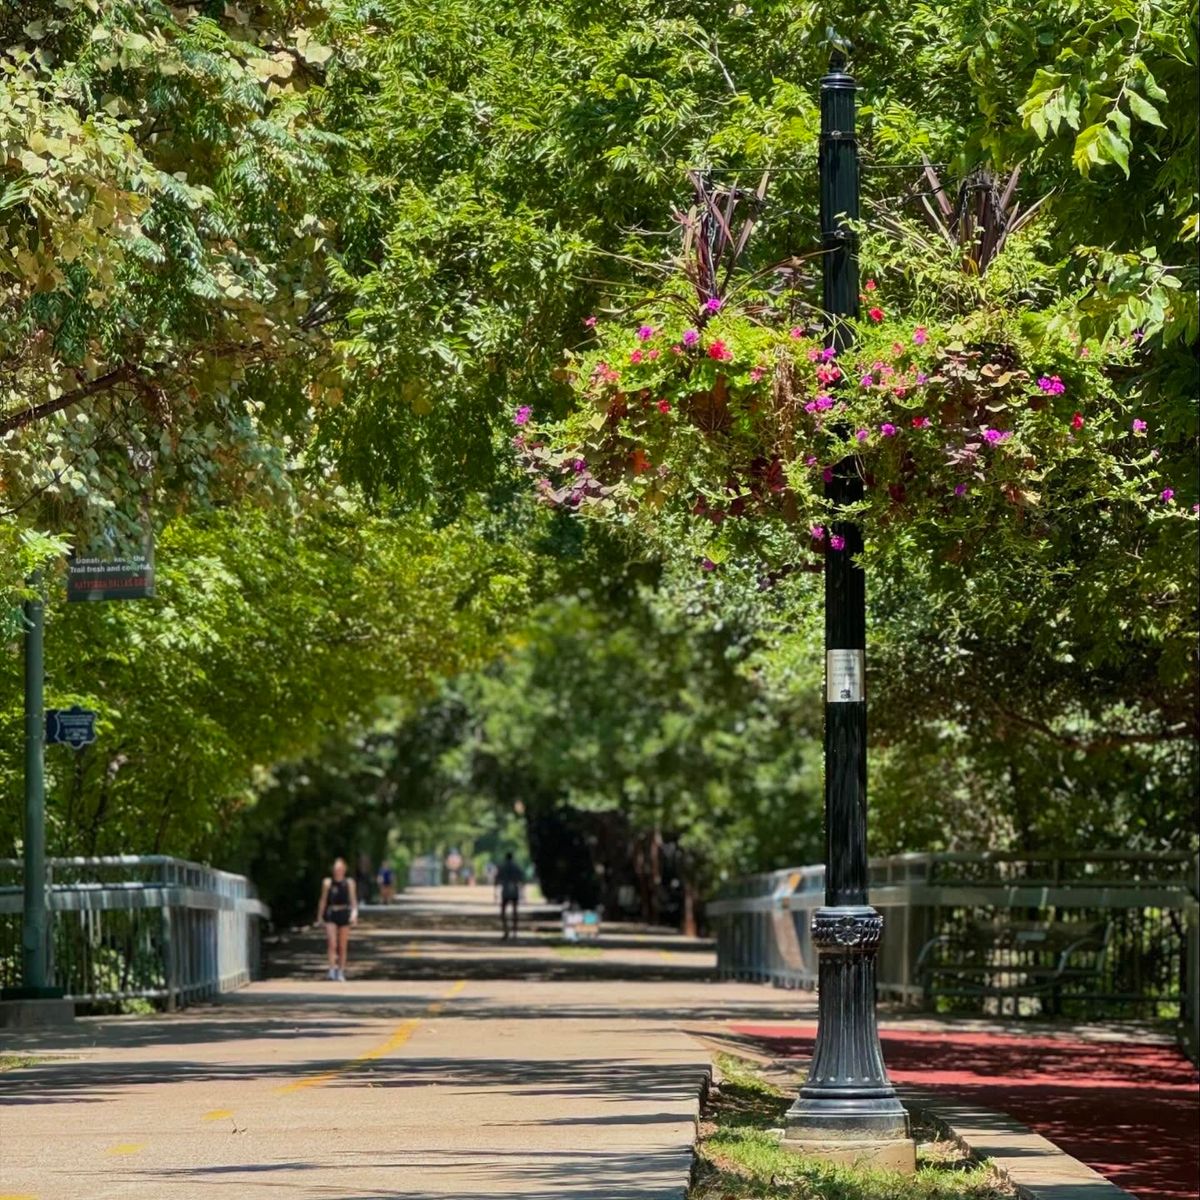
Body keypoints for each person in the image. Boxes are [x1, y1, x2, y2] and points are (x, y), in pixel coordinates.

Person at [316, 858, 358, 981]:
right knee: (332, 943)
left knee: (342, 945)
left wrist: (354, 914)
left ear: (344, 869)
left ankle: (341, 971)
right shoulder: (327, 883)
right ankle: (332, 969)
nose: (338, 871)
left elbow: (353, 900)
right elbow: (323, 900)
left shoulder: (349, 883)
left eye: (340, 869)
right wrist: (320, 916)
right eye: (336, 869)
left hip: (344, 913)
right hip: (331, 913)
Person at [495, 852, 524, 940]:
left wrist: (495, 892)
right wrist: (523, 893)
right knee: (515, 912)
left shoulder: (502, 867)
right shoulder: (516, 867)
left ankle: (506, 931)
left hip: (506, 891)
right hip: (515, 891)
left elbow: (497, 879)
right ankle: (515, 932)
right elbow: (521, 879)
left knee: (503, 911)